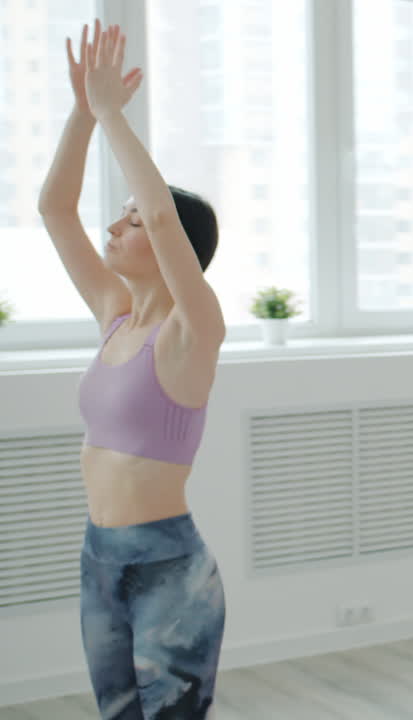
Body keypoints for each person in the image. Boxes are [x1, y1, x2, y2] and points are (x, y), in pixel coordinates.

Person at [39, 21, 227, 719]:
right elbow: (55, 209)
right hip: (100, 558)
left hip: (167, 569)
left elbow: (161, 214)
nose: (115, 229)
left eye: (131, 221)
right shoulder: (116, 314)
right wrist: (82, 115)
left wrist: (114, 113)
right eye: (119, 220)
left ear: (175, 248)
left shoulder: (192, 330)